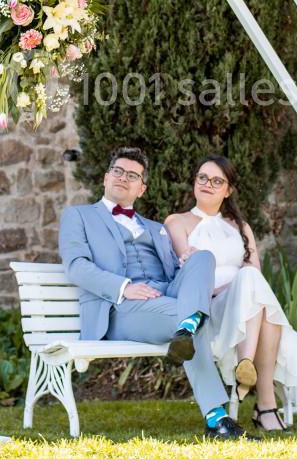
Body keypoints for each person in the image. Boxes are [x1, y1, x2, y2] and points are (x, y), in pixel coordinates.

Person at [57, 146, 246, 439]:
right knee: (193, 317)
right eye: (118, 171)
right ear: (106, 178)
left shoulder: (155, 227)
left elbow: (172, 276)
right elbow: (76, 267)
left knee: (202, 257)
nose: (123, 177)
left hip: (163, 296)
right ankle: (216, 418)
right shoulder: (78, 216)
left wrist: (185, 263)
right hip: (119, 308)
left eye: (132, 175)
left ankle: (187, 327)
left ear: (142, 189)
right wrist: (125, 287)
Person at [164, 155, 297, 432]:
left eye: (217, 181)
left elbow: (255, 272)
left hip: (248, 308)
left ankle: (247, 366)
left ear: (228, 190)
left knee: (252, 285)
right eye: (202, 178)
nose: (207, 184)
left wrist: (239, 287)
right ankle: (265, 404)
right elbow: (188, 276)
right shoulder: (177, 222)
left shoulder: (240, 227)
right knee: (255, 294)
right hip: (210, 310)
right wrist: (230, 288)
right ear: (194, 181)